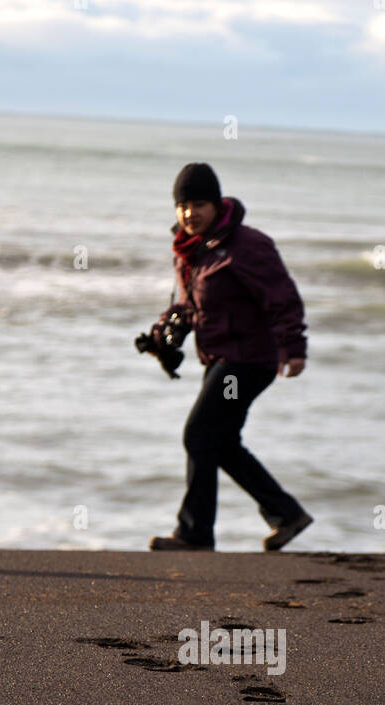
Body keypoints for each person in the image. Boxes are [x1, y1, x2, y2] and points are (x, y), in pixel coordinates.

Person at [143, 162, 313, 552]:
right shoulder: (191, 251)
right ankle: (286, 515)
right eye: (182, 205)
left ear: (217, 205)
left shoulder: (247, 244)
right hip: (222, 359)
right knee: (220, 442)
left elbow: (281, 296)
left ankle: (195, 534)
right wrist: (161, 337)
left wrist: (294, 347)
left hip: (247, 362)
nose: (189, 213)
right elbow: (190, 307)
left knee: (199, 434)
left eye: (198, 203)